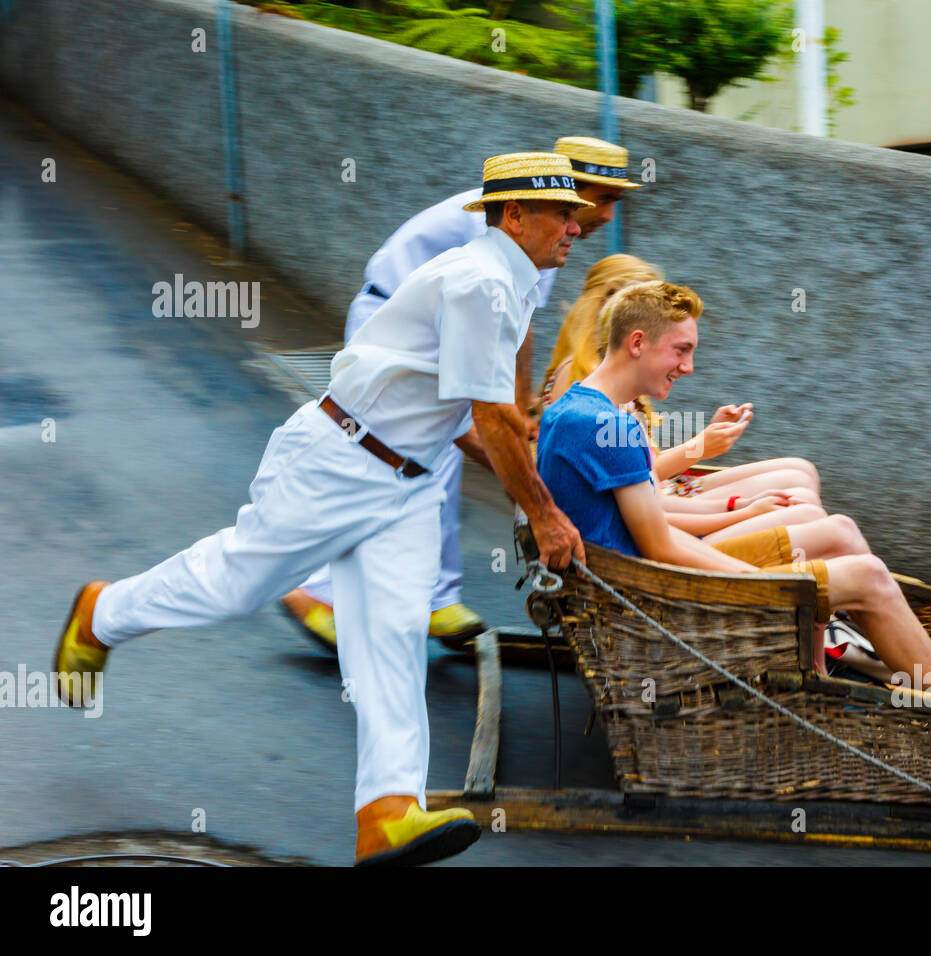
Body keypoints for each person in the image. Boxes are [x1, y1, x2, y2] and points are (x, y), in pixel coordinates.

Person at [54, 153, 589, 865]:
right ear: (513, 215)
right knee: (237, 581)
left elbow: (465, 416)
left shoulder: (511, 282)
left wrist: (534, 483)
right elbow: (492, 416)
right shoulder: (481, 282)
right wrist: (546, 514)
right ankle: (102, 610)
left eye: (576, 213)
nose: (576, 225)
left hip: (402, 477)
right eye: (561, 213)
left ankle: (388, 813)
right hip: (339, 461)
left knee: (392, 638)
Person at [536, 279, 931, 719]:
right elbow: (658, 545)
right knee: (872, 577)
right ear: (636, 343)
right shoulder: (611, 425)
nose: (689, 366)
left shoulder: (576, 408)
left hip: (637, 585)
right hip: (657, 599)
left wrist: (745, 530)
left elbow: (651, 530)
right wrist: (763, 583)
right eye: (681, 350)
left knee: (847, 554)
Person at [281, 136, 644, 652]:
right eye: (601, 198)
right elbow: (496, 341)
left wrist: (522, 414)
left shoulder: (543, 224)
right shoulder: (511, 218)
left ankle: (429, 596)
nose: (605, 214)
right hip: (396, 324)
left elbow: (520, 326)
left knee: (427, 462)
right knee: (406, 460)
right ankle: (318, 591)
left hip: (438, 329)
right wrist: (514, 439)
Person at [537, 254, 826, 543]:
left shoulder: (610, 375)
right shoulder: (580, 380)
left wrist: (708, 444)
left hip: (661, 495)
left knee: (802, 471)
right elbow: (634, 483)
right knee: (799, 495)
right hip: (656, 509)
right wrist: (702, 450)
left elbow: (640, 468)